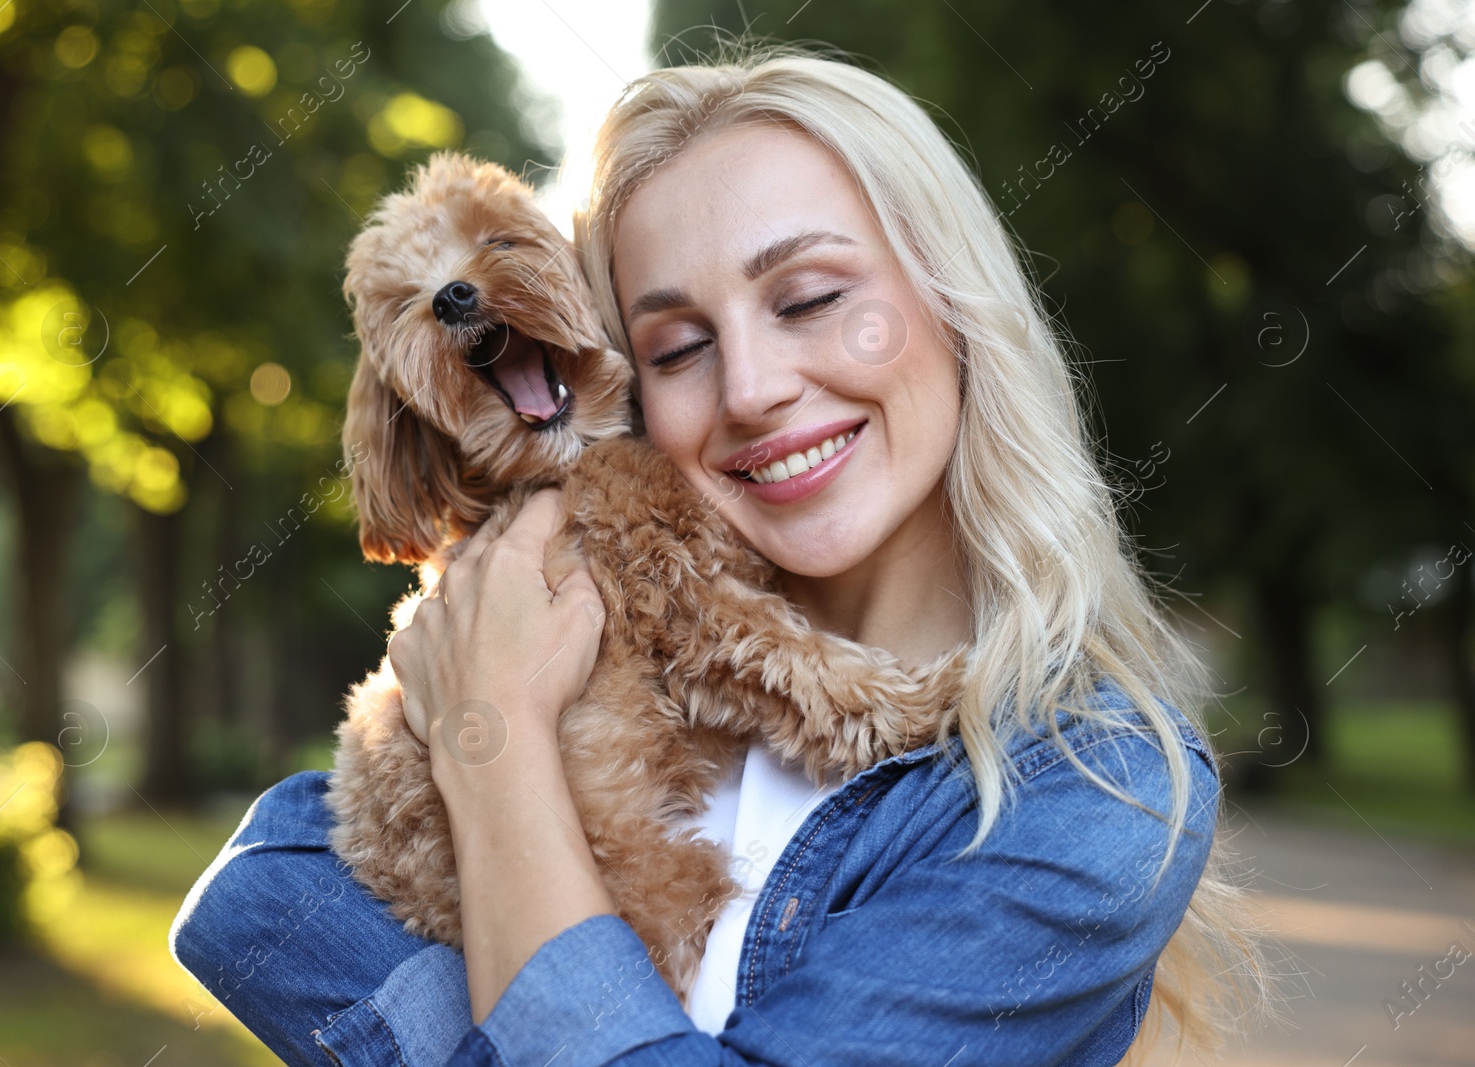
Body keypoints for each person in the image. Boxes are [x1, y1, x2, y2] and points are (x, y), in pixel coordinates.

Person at [170, 49, 1268, 1066]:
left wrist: (494, 745)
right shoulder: (606, 635)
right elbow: (258, 892)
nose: (749, 388)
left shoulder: (1091, 788)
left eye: (809, 298)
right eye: (678, 347)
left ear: (954, 300)